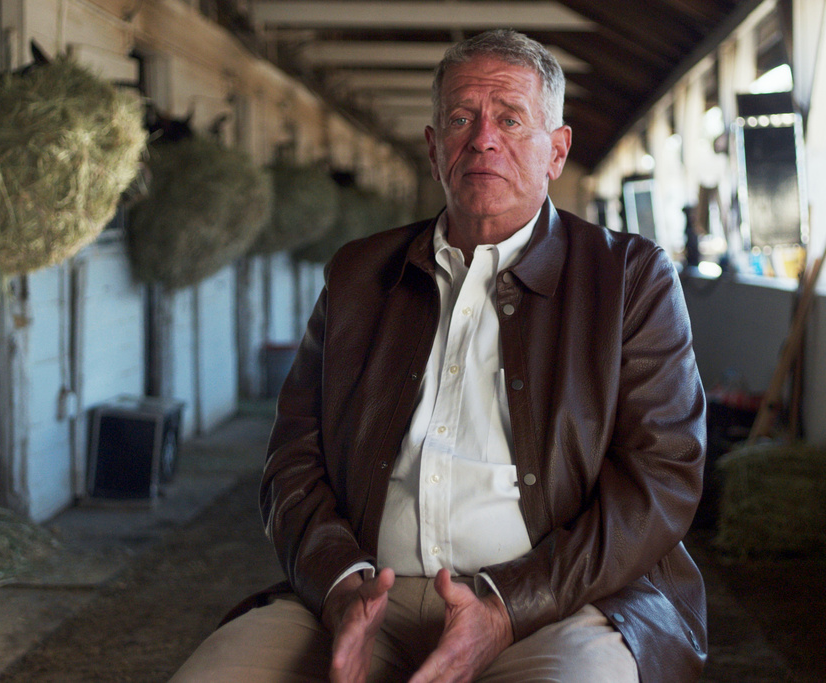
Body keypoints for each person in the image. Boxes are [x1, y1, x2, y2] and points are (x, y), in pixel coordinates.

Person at [171, 28, 707, 683]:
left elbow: (663, 476)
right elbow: (293, 457)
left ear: (557, 151)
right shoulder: (360, 275)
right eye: (461, 118)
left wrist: (510, 606)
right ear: (434, 148)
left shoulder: (627, 277)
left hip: (561, 605)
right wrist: (339, 582)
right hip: (366, 597)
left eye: (511, 119)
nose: (483, 137)